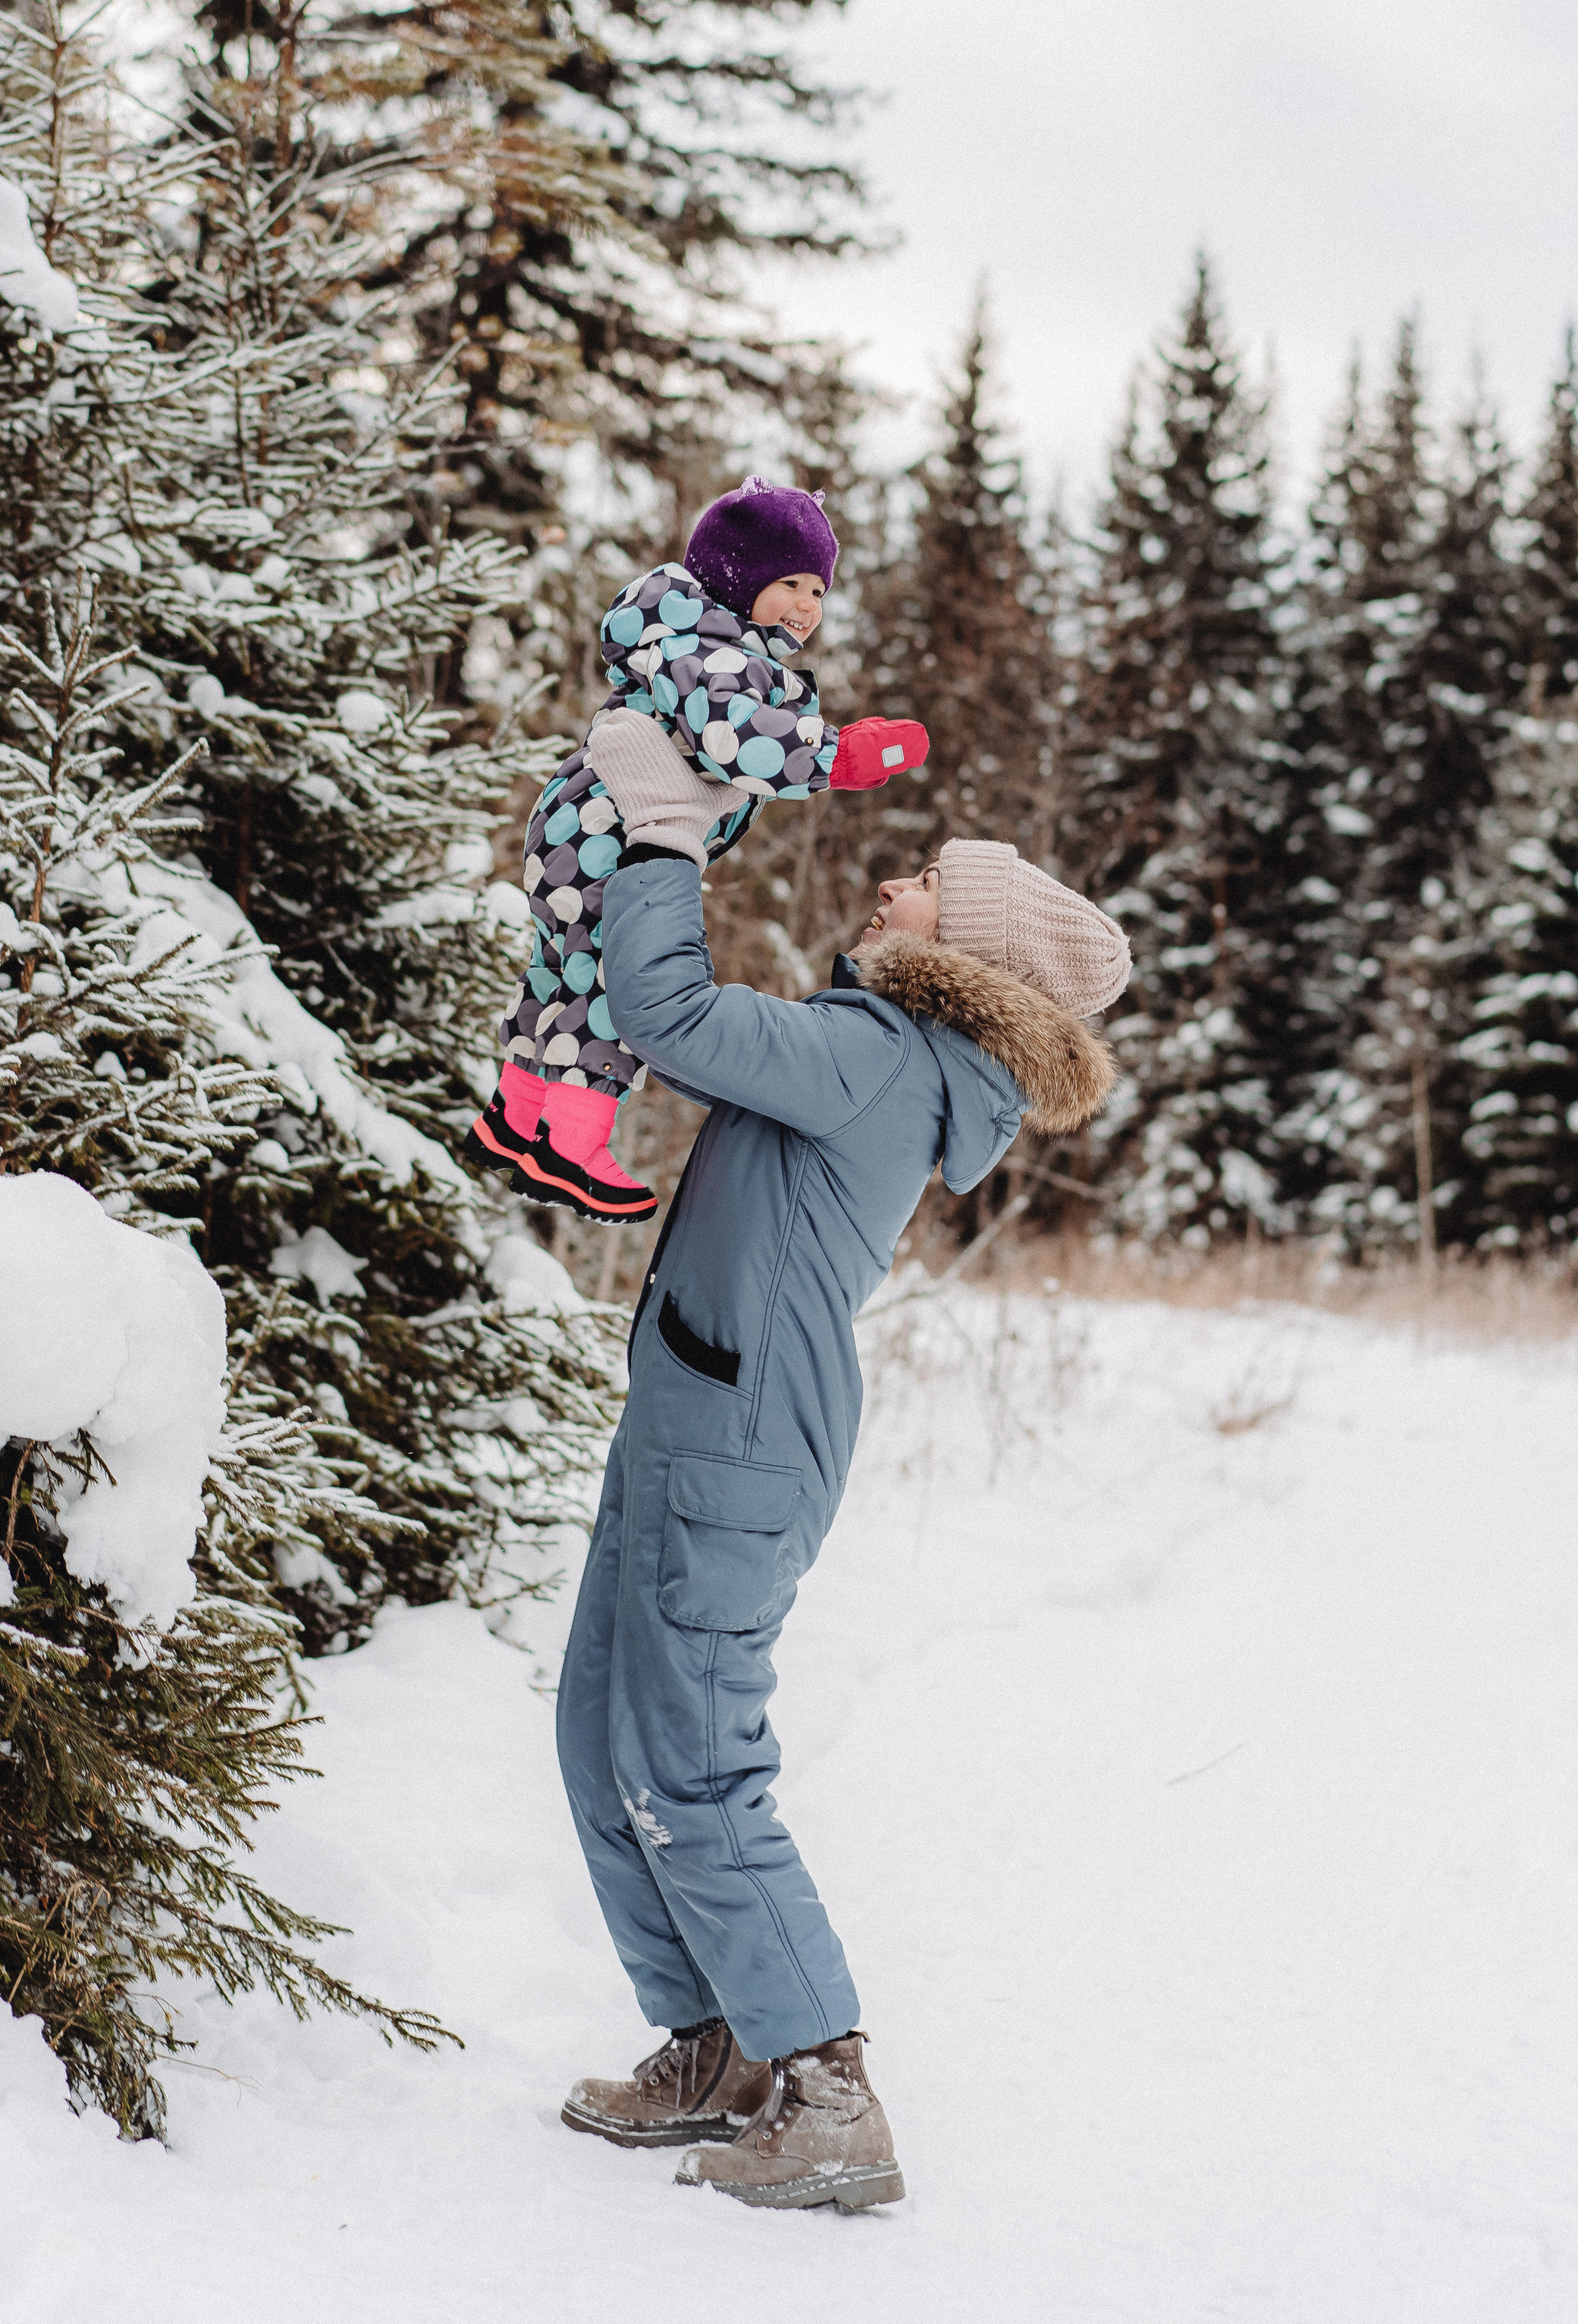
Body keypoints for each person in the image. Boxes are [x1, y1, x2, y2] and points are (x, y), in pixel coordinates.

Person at [553, 704, 1130, 2211]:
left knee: (689, 1766)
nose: (893, 884)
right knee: (601, 1736)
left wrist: (664, 825)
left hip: (735, 1437)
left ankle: (825, 2089)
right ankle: (719, 2045)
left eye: (930, 883)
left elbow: (672, 1017)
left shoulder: (876, 1054)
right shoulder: (880, 1047)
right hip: (699, 1412)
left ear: (972, 956)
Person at [466, 476, 927, 1223]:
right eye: (789, 583)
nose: (807, 606)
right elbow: (734, 740)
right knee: (614, 976)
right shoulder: (714, 654)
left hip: (575, 820)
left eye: (818, 588)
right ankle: (570, 1145)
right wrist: (836, 755)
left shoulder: (693, 641)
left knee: (562, 969)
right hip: (609, 829)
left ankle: (515, 1120)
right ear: (740, 576)